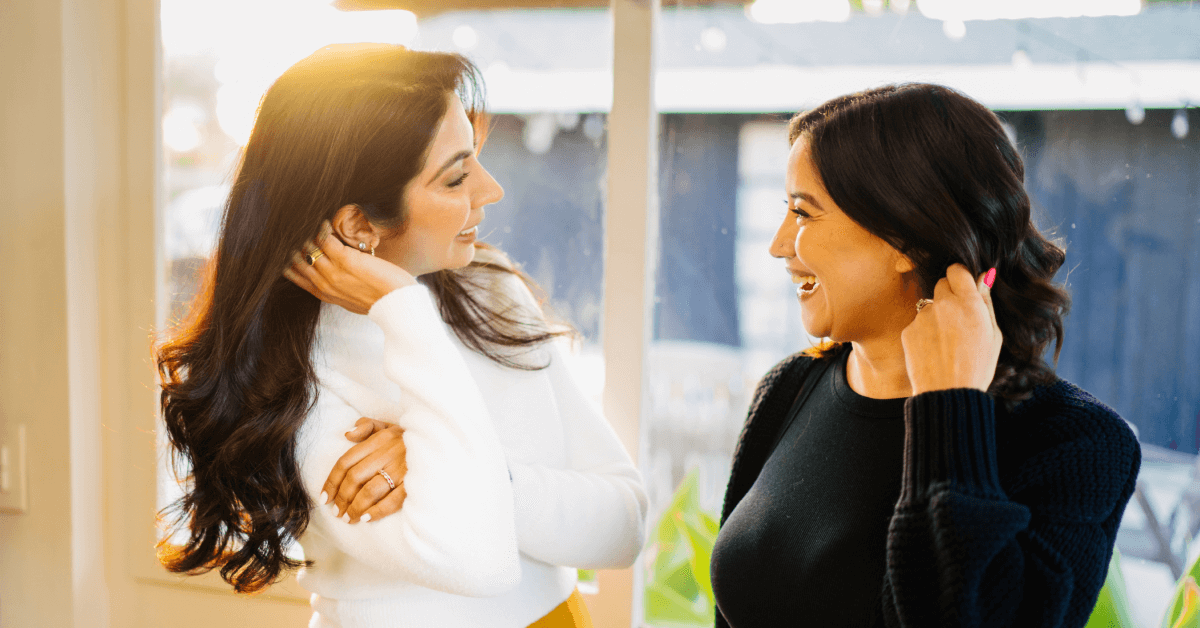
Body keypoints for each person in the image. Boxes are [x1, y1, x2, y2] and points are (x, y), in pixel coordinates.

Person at [156, 43, 647, 628]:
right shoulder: (290, 371)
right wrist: (405, 311)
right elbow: (476, 563)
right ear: (358, 225)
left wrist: (458, 467)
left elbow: (625, 527)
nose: (491, 191)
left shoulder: (489, 288)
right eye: (457, 177)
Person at [708, 84, 1141, 627]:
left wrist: (950, 407)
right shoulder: (791, 387)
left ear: (906, 235)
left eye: (804, 213)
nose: (779, 244)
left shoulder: (1075, 444)